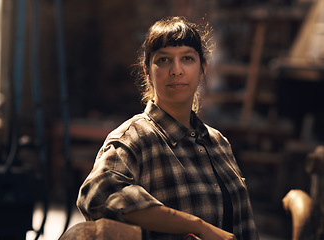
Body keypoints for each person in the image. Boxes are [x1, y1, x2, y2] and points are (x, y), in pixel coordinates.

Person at [77, 16, 259, 240]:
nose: (176, 70)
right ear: (147, 71)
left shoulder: (218, 142)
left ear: (202, 69)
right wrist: (197, 226)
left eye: (187, 59)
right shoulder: (134, 138)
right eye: (163, 60)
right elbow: (98, 194)